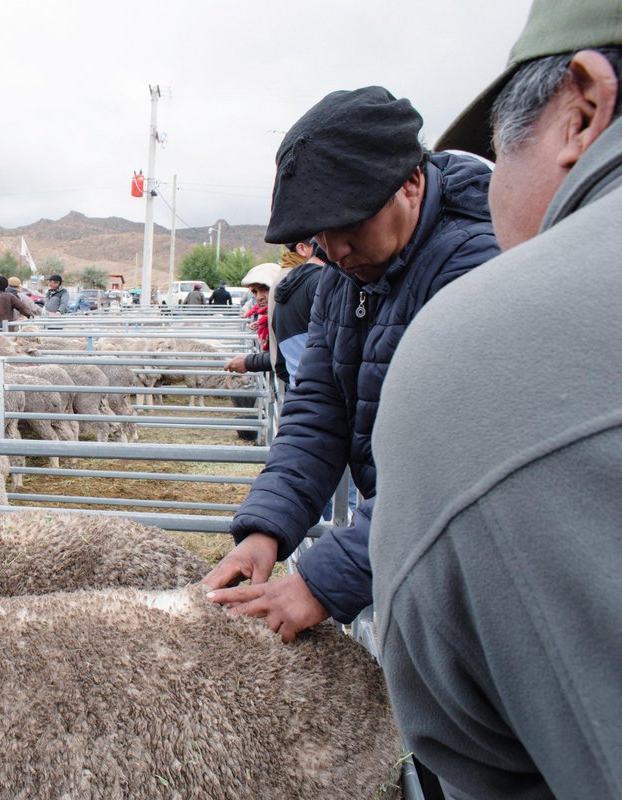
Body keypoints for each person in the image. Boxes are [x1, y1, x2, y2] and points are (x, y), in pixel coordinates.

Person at [370, 2, 622, 796]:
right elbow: (315, 403)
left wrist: (336, 567)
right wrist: (271, 521)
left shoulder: (482, 337)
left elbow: (462, 738)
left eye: (500, 147)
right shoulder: (352, 287)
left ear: (581, 112)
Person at [200, 86, 499, 644]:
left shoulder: (477, 268)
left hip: (483, 575)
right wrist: (266, 529)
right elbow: (317, 416)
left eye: (348, 227)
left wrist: (320, 583)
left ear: (409, 182)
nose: (334, 250)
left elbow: (459, 467)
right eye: (320, 236)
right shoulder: (346, 282)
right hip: (407, 552)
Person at [225, 244, 323, 388]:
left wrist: (249, 362)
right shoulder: (269, 316)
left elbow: (282, 356)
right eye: (255, 292)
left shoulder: (291, 305)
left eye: (265, 289)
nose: (259, 297)